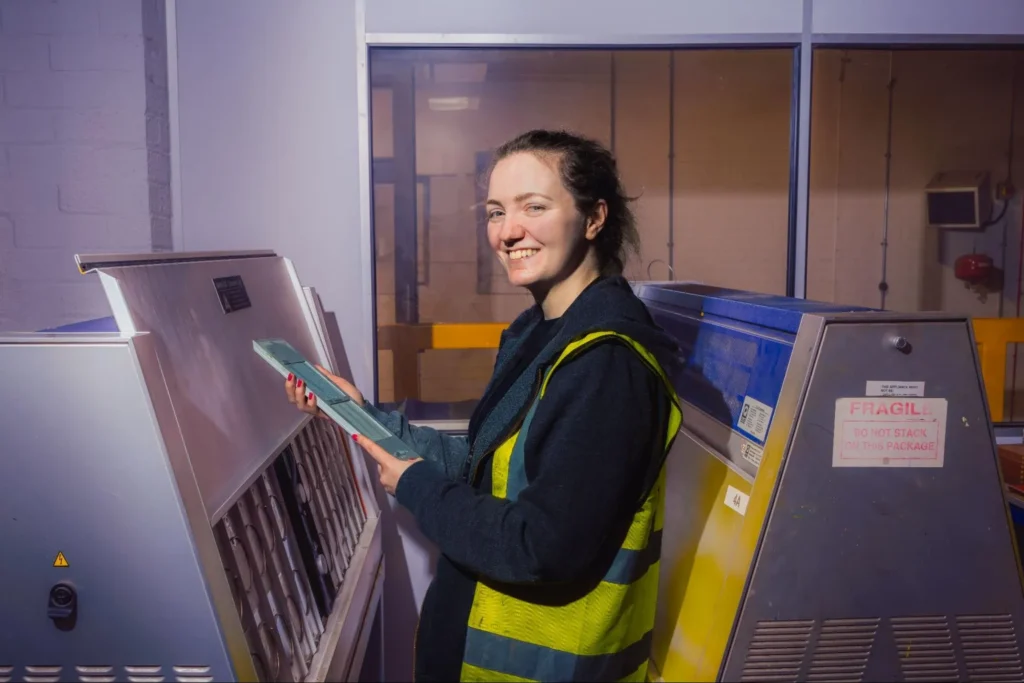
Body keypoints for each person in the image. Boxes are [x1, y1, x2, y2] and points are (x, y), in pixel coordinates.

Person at [285, 129, 682, 682]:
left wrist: (418, 485)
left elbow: (540, 547)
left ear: (593, 218)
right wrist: (360, 414)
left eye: (534, 207)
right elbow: (485, 469)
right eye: (496, 212)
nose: (508, 231)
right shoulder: (543, 335)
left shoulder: (606, 366)